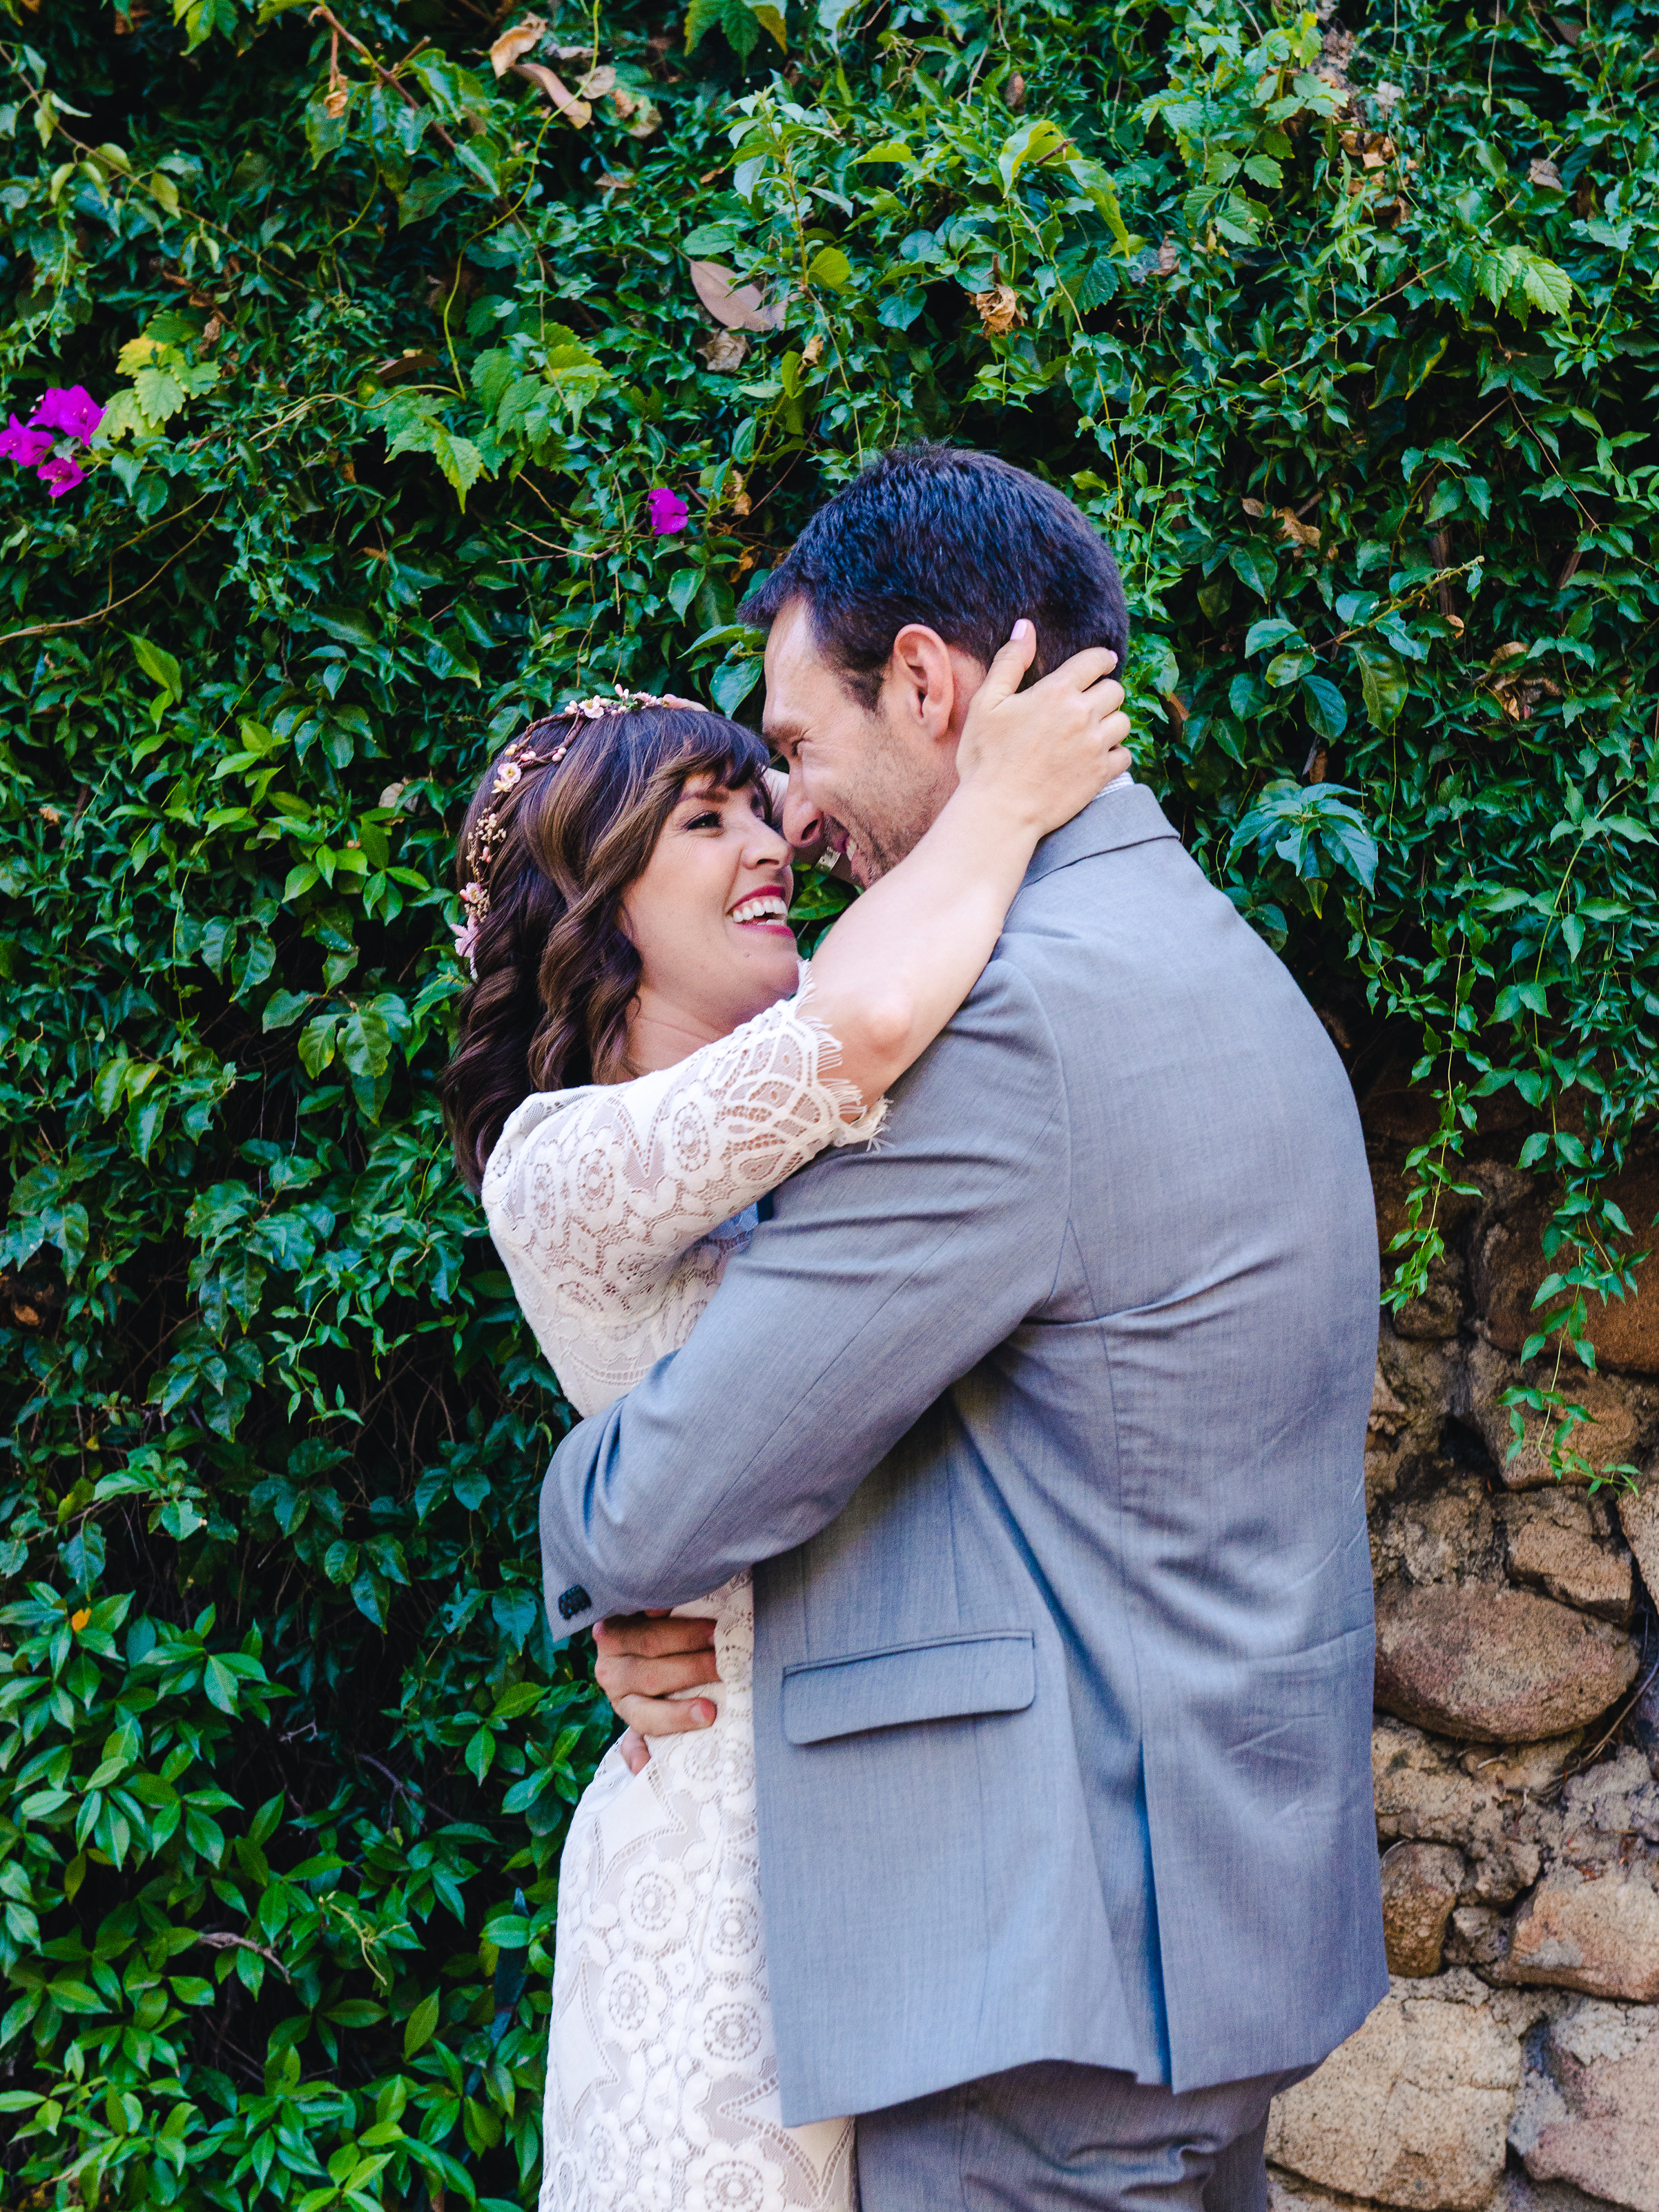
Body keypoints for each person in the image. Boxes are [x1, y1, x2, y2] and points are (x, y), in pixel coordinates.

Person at [536, 445, 1388, 2212]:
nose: (792, 816)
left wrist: (594, 1547)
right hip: (1214, 1928)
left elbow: (675, 1492)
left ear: (924, 685)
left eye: (796, 746)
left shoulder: (1002, 1032)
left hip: (1059, 1987)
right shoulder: (1212, 957)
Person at [441, 622, 1134, 2212]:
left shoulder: (829, 1041)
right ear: (591, 900)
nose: (771, 844)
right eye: (707, 819)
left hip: (904, 1828)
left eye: (764, 803)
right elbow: (867, 1029)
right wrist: (1000, 794)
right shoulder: (559, 1163)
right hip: (717, 1870)